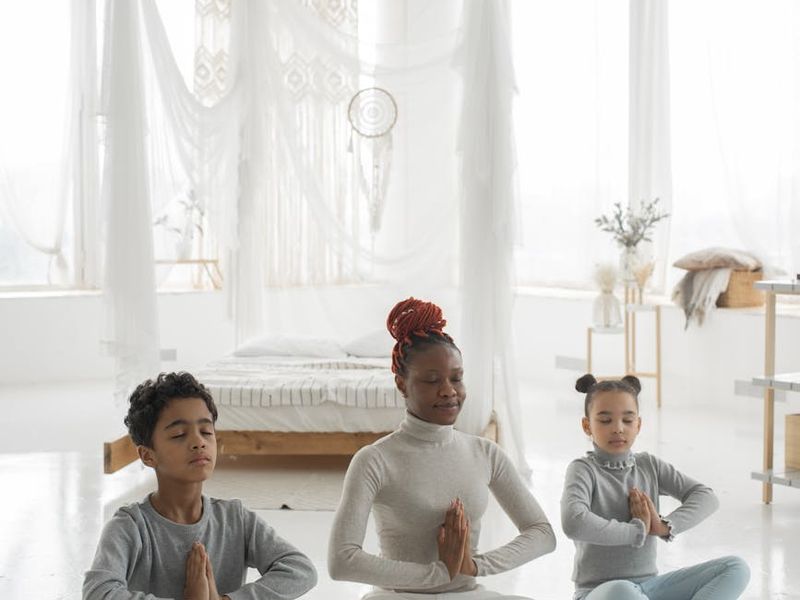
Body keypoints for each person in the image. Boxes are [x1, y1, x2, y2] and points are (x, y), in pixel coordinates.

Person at [328, 298, 556, 600]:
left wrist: (474, 566)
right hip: (400, 597)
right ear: (402, 384)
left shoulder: (485, 453)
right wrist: (438, 574)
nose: (449, 391)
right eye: (432, 380)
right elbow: (341, 561)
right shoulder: (374, 460)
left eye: (456, 378)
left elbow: (542, 533)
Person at [83, 371, 317, 600]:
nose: (198, 442)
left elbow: (300, 569)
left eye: (206, 431)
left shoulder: (235, 518)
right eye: (179, 434)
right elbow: (97, 593)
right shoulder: (130, 526)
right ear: (147, 455)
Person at [561, 373, 750, 600]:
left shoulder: (648, 465)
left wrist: (662, 527)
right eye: (605, 420)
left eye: (627, 420)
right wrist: (637, 531)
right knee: (621, 590)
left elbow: (706, 497)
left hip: (650, 589)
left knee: (735, 568)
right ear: (587, 425)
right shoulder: (582, 470)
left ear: (638, 424)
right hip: (599, 593)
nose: (618, 428)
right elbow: (574, 522)